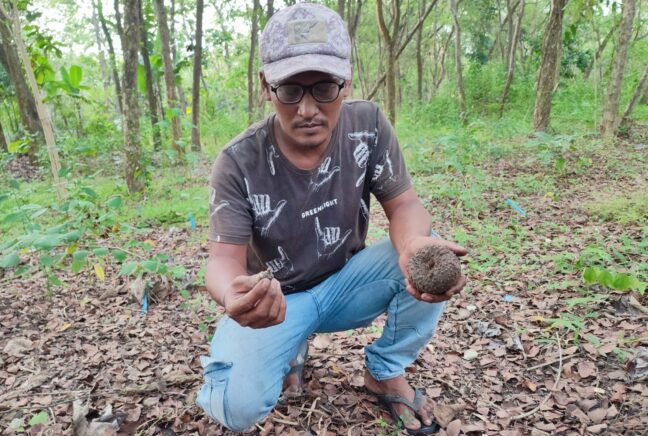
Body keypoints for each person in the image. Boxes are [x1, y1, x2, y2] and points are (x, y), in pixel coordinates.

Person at [196, 3, 467, 434]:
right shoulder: (239, 160)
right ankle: (288, 347)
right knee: (236, 409)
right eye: (290, 90)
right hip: (277, 301)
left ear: (346, 82)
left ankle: (384, 371)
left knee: (428, 249)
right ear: (266, 86)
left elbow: (404, 206)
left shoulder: (368, 125)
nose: (307, 109)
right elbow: (222, 259)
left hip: (345, 285)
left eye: (324, 88)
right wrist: (234, 296)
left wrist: (414, 243)